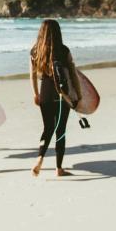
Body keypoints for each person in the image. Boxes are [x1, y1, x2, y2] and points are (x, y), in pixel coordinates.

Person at [29, 19, 81, 177]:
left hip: (45, 93)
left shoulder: (35, 51)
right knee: (61, 131)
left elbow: (32, 75)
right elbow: (73, 74)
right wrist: (77, 94)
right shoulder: (64, 50)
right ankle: (58, 168)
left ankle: (39, 158)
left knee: (47, 128)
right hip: (62, 95)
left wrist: (36, 94)